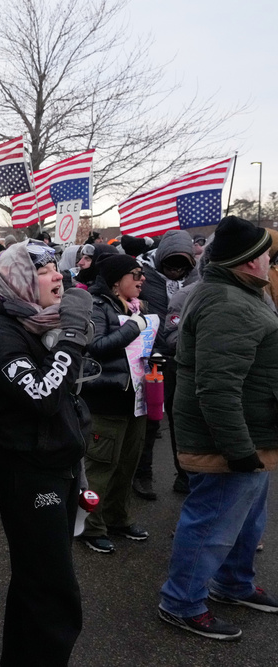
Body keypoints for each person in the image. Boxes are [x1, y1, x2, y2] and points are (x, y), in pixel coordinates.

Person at [158, 216, 278, 641]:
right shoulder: (228, 303)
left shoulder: (244, 293)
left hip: (254, 432)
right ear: (248, 263)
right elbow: (217, 386)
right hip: (229, 440)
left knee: (247, 520)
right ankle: (181, 601)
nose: (270, 260)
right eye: (265, 254)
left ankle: (233, 584)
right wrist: (238, 449)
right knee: (211, 524)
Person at [0, 240, 93, 666]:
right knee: (52, 593)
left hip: (56, 466)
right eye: (43, 270)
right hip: (29, 474)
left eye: (54, 267)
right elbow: (42, 394)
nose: (57, 275)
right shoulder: (3, 334)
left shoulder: (38, 324)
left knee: (36, 585)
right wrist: (72, 338)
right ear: (20, 282)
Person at [77, 253, 151, 554]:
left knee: (126, 466)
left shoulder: (137, 307)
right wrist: (134, 328)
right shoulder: (97, 306)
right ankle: (91, 526)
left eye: (142, 273)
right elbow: (94, 348)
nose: (141, 278)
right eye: (135, 274)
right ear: (116, 281)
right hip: (107, 400)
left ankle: (118, 519)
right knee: (100, 467)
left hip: (136, 399)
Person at [131, 230, 198, 500]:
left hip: (183, 360)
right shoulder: (143, 277)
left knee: (182, 421)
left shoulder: (198, 280)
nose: (175, 271)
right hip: (151, 359)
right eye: (170, 264)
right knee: (150, 420)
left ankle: (184, 474)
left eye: (181, 265)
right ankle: (142, 474)